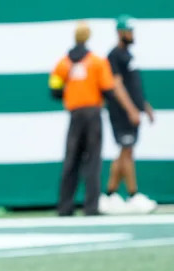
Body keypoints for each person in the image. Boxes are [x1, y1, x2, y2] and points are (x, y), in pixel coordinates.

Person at [49, 22, 140, 216]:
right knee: (92, 160)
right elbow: (108, 89)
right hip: (92, 114)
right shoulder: (97, 62)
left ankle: (65, 206)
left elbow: (54, 89)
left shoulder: (63, 63)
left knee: (71, 160)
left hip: (75, 114)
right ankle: (91, 206)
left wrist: (70, 92)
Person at [101, 16, 158, 214]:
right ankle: (133, 195)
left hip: (131, 110)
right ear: (120, 32)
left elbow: (133, 85)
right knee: (127, 151)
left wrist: (144, 106)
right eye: (129, 31)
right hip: (121, 112)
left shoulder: (128, 54)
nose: (132, 35)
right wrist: (131, 109)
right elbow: (117, 85)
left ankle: (109, 195)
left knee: (125, 151)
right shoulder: (114, 55)